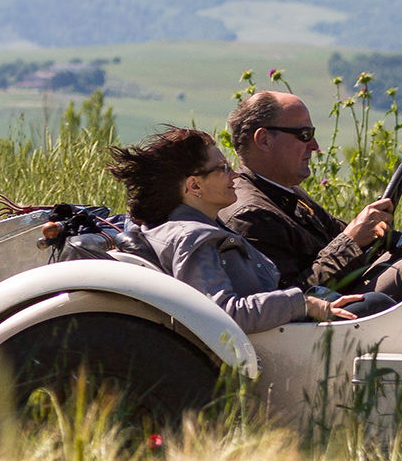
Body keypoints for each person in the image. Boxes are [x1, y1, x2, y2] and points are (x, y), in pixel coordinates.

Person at [105, 127, 363, 333]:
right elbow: (221, 314)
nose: (235, 176)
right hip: (268, 344)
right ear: (194, 186)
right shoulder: (193, 238)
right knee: (371, 306)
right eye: (223, 169)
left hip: (274, 332)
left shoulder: (198, 226)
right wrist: (303, 304)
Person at [222, 91, 402, 301]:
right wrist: (351, 241)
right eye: (304, 135)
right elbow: (287, 300)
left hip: (341, 296)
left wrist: (368, 232)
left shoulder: (284, 191)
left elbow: (337, 235)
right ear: (264, 140)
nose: (314, 146)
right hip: (320, 317)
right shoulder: (250, 215)